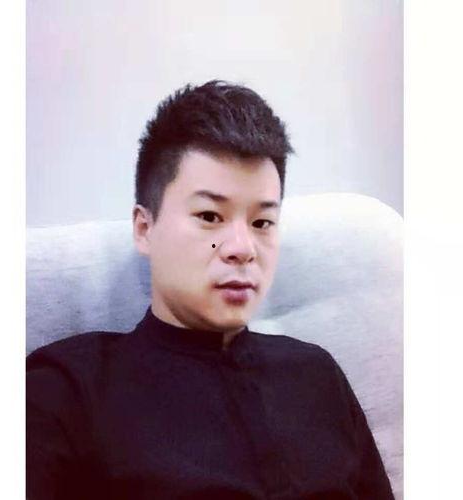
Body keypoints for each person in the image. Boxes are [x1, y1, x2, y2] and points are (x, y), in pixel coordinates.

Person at [26, 81, 394, 499]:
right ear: (145, 228)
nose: (242, 248)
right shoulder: (67, 391)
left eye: (262, 222)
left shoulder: (318, 375)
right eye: (209, 216)